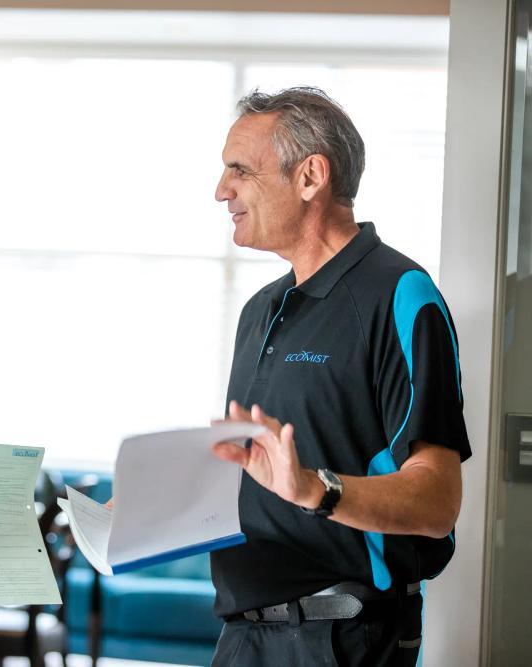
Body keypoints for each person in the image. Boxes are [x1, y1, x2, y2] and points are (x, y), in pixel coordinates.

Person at [208, 88, 470, 666]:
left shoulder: (401, 294)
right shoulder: (259, 310)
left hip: (341, 637)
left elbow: (438, 500)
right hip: (243, 635)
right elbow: (262, 478)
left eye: (240, 170)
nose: (222, 190)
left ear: (310, 176)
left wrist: (318, 490)